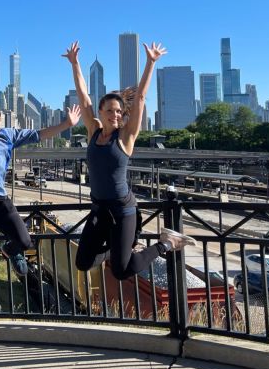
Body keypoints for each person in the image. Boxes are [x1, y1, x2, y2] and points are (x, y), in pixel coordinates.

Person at [63, 40, 195, 280]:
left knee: (122, 270)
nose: (115, 115)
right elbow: (83, 98)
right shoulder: (93, 131)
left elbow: (141, 98)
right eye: (109, 110)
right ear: (100, 112)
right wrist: (75, 64)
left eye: (118, 111)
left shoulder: (125, 137)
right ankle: (117, 250)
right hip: (99, 209)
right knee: (83, 262)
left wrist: (151, 62)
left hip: (123, 209)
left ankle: (166, 243)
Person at [0, 59, 81, 276]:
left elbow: (39, 134)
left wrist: (66, 124)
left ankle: (8, 249)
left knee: (25, 241)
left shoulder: (8, 135)